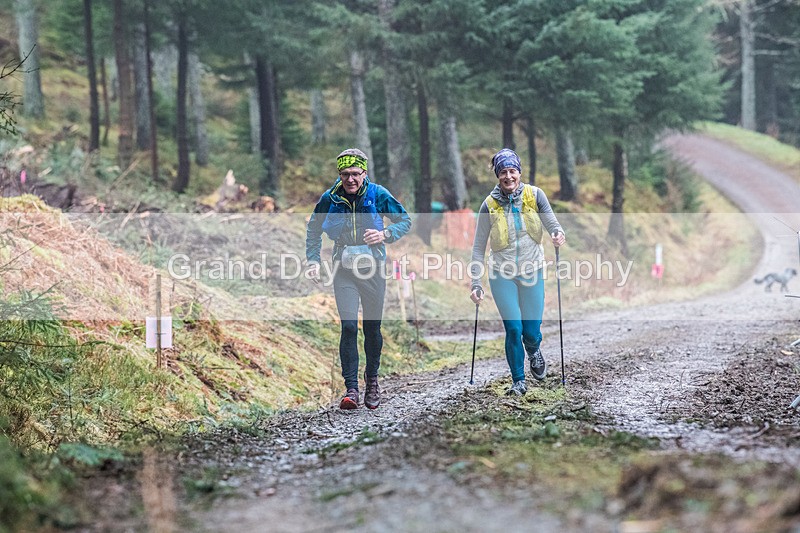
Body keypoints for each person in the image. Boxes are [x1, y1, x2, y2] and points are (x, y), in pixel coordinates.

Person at [306, 148, 411, 410]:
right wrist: (312, 260)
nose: (350, 180)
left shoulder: (378, 194)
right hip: (344, 270)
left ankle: (372, 380)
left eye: (355, 174)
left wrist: (385, 234)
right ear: (339, 174)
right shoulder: (330, 198)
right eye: (345, 174)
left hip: (373, 269)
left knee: (372, 328)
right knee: (349, 326)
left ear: (364, 173)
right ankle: (351, 388)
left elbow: (405, 220)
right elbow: (313, 229)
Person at [470, 148, 566, 396]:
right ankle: (518, 381)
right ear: (498, 175)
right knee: (513, 328)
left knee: (531, 331)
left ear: (519, 173)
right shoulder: (488, 205)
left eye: (512, 171)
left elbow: (552, 224)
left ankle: (534, 350)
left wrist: (557, 234)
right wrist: (475, 283)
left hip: (532, 270)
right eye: (503, 172)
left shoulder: (535, 196)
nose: (508, 176)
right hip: (501, 274)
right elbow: (478, 247)